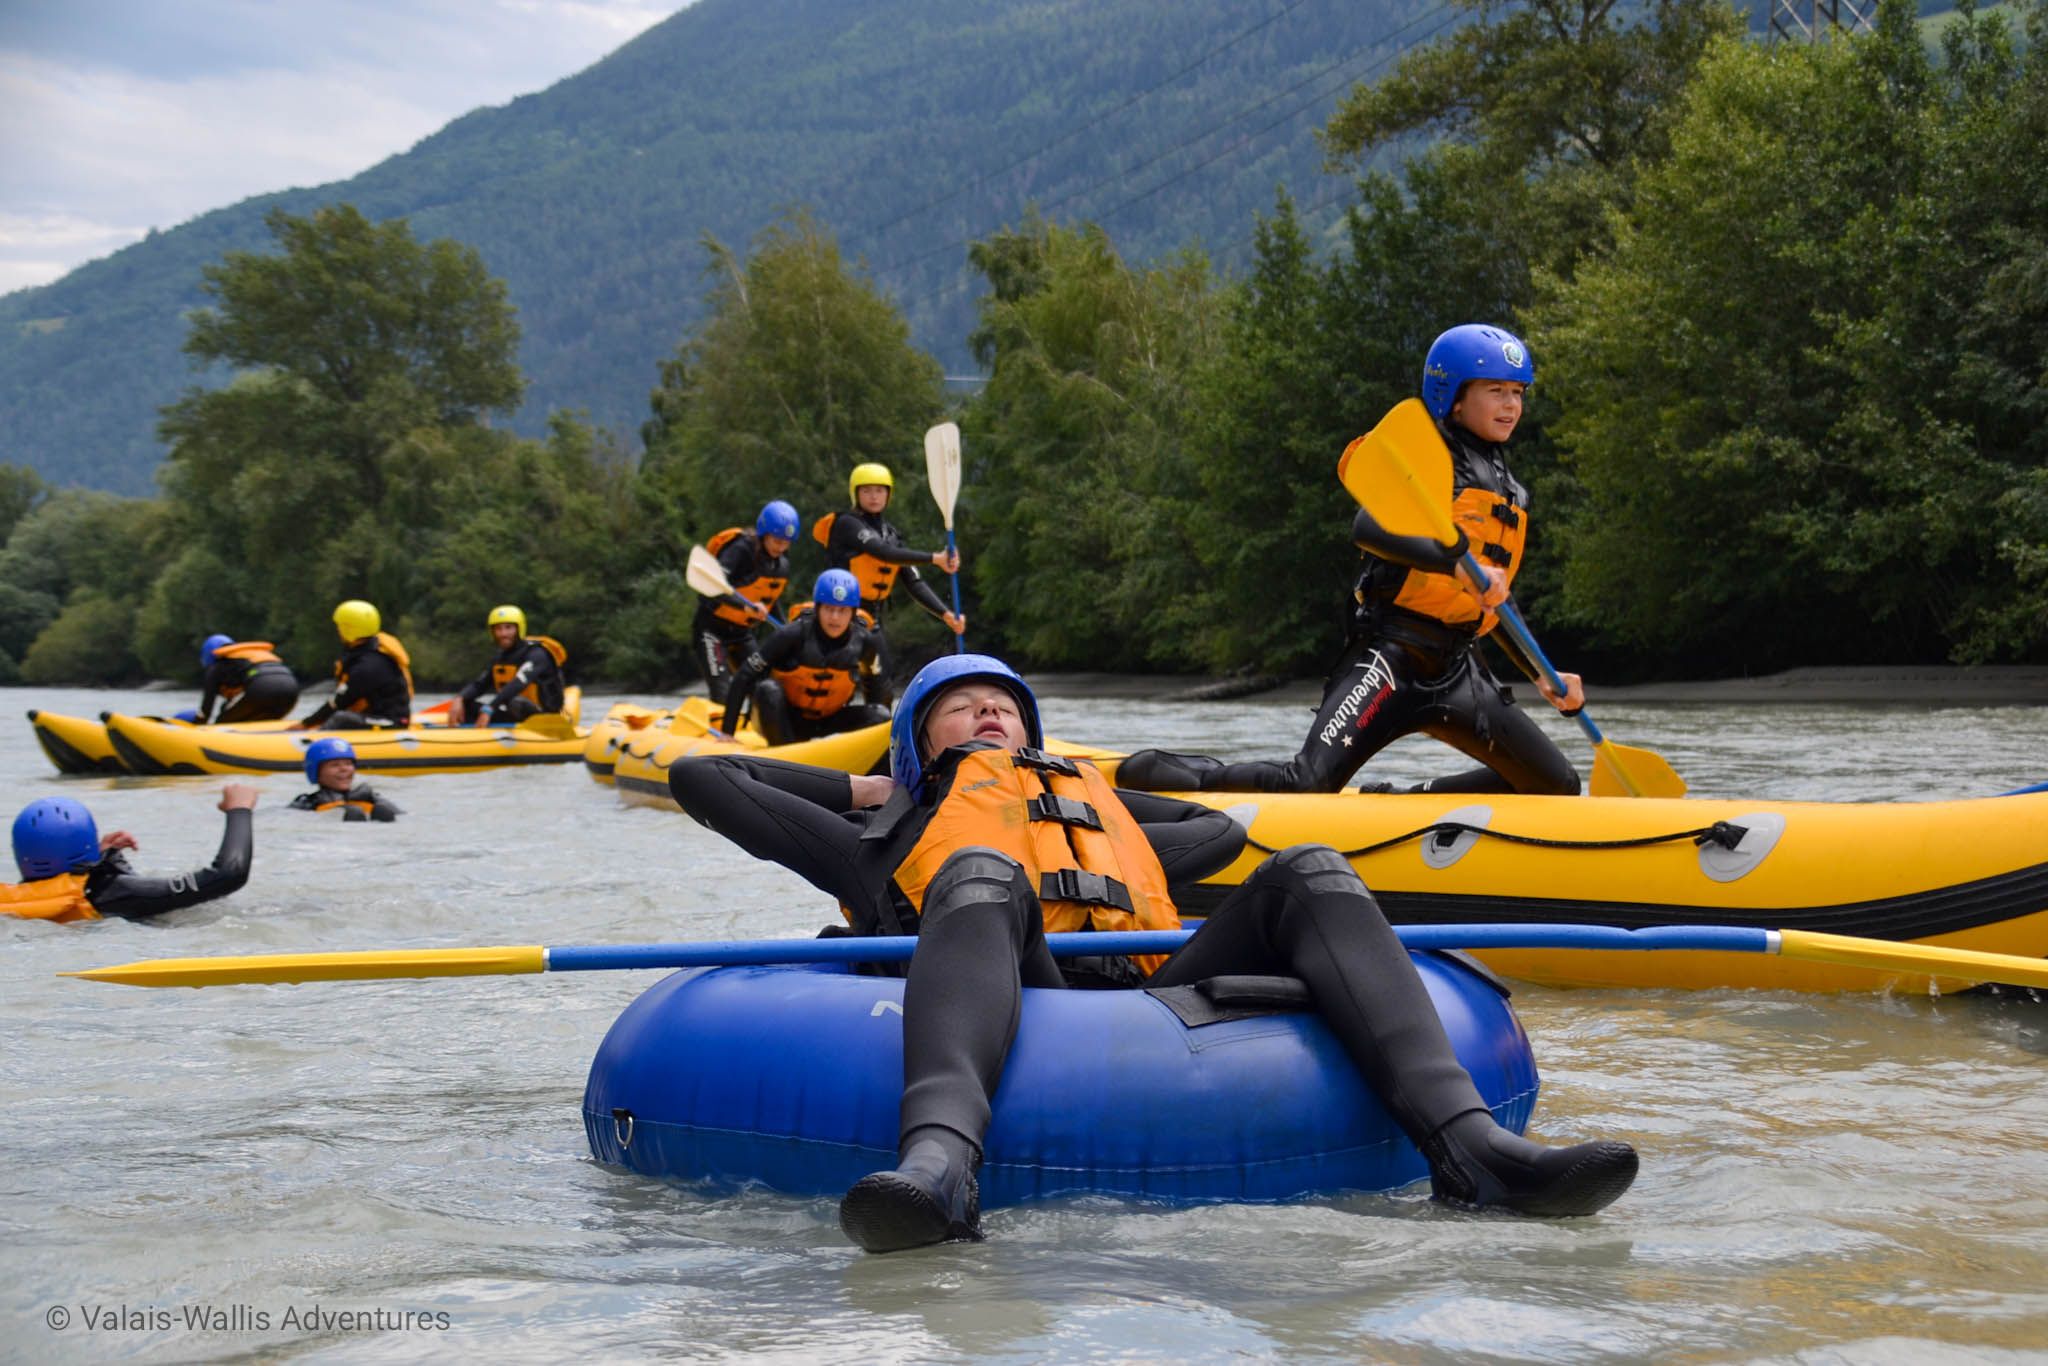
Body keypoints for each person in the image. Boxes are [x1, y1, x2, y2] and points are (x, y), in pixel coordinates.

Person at [670, 653, 1638, 1254]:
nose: (990, 715)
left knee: (1308, 865)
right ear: (915, 746)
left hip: (1146, 986)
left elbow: (1210, 832)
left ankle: (1473, 1155)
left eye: (1005, 706)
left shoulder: (1090, 802)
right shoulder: (876, 837)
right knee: (976, 866)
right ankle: (941, 1170)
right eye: (961, 708)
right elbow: (702, 773)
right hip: (1007, 978)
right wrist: (872, 792)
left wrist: (1086, 794)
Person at [1117, 324, 1586, 797]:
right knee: (1307, 783)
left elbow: (1493, 602)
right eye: (1495, 391)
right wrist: (1455, 564)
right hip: (1391, 658)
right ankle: (1169, 778)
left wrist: (1542, 673)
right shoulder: (1428, 464)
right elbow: (1368, 527)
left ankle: (1406, 801)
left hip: (1457, 671)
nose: (1511, 405)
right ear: (1455, 398)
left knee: (1557, 784)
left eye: (1517, 393)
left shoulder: (1512, 491)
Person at [2, 787, 257, 923]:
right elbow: (229, 874)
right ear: (87, 840)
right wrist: (239, 809)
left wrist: (103, 858)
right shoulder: (113, 892)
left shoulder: (14, 901)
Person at [717, 569, 891, 745]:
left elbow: (876, 688)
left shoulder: (864, 642)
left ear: (853, 613)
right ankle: (784, 754)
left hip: (829, 720)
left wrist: (879, 741)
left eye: (842, 610)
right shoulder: (791, 635)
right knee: (767, 689)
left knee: (881, 715)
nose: (835, 617)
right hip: (786, 719)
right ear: (818, 608)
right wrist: (727, 732)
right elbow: (745, 675)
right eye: (829, 609)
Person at [814, 463, 966, 641]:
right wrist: (936, 558)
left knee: (883, 668)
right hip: (840, 615)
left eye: (879, 490)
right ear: (856, 494)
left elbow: (913, 581)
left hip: (873, 621)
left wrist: (945, 614)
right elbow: (883, 552)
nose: (874, 497)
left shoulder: (891, 535)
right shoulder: (847, 524)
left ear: (888, 494)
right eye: (866, 491)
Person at [692, 501, 799, 704]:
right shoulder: (741, 550)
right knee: (722, 691)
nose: (781, 547)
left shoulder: (781, 565)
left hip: (741, 634)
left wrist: (788, 633)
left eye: (786, 542)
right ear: (764, 534)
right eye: (777, 541)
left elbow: (771, 602)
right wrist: (746, 606)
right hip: (712, 631)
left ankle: (760, 731)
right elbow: (712, 589)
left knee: (762, 690)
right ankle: (718, 728)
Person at [296, 600, 413, 730]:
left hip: (389, 721)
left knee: (341, 718)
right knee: (341, 716)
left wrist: (304, 725)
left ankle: (312, 743)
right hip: (374, 716)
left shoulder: (368, 666)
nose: (338, 630)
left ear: (349, 629)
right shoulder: (368, 653)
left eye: (340, 626)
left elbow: (339, 702)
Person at [448, 605, 568, 726]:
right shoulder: (500, 657)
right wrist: (460, 698)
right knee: (466, 704)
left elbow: (518, 683)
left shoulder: (538, 654)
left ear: (519, 629)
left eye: (508, 628)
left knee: (514, 702)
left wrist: (489, 708)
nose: (503, 634)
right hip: (513, 716)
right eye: (498, 629)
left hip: (545, 718)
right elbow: (480, 685)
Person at [195, 633, 300, 723]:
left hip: (262, 687)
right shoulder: (244, 659)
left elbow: (205, 711)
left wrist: (196, 725)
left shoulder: (216, 667)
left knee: (223, 723)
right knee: (264, 720)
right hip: (292, 688)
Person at [289, 737, 400, 822]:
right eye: (335, 765)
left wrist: (374, 800)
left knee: (383, 812)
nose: (344, 769)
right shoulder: (306, 803)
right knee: (354, 813)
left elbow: (402, 817)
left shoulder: (369, 798)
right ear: (316, 771)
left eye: (348, 764)